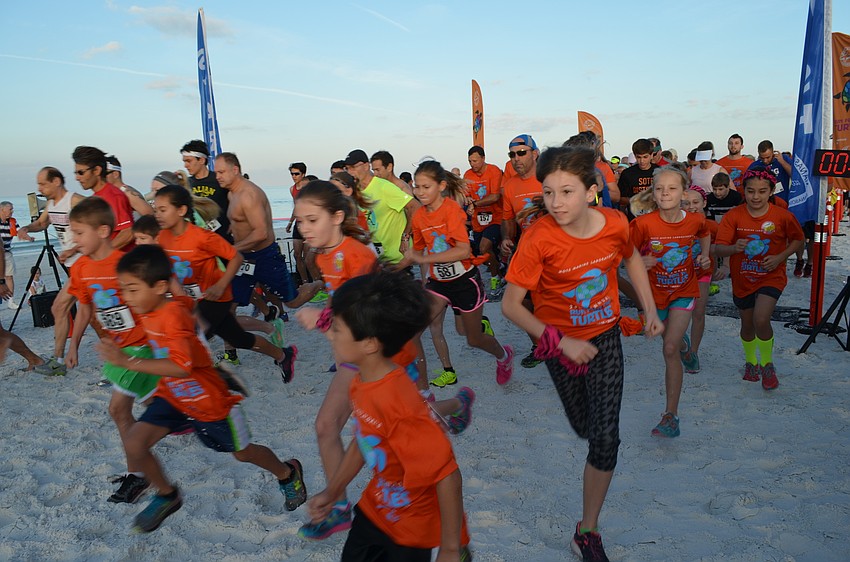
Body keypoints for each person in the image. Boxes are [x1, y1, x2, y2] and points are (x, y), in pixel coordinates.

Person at [501, 146, 662, 562]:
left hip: (605, 337)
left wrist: (649, 310)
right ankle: (592, 445)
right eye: (549, 193)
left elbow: (631, 260)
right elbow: (511, 305)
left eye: (567, 192)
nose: (556, 203)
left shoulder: (614, 222)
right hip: (559, 344)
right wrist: (559, 341)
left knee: (606, 439)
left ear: (592, 191)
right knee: (585, 427)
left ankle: (587, 530)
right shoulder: (538, 237)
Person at [292, 181, 474, 541]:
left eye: (312, 220)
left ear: (337, 217)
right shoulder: (323, 254)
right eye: (300, 222)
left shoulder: (356, 255)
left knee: (388, 426)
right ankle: (339, 508)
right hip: (356, 354)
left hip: (384, 355)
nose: (304, 229)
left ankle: (457, 403)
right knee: (329, 427)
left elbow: (370, 316)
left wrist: (324, 318)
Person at [96, 244, 307, 533]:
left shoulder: (172, 316)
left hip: (209, 401)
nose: (126, 297)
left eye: (132, 289)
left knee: (242, 453)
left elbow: (182, 366)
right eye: (124, 290)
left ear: (158, 287)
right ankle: (168, 495)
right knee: (134, 443)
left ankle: (287, 473)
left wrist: (128, 362)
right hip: (174, 396)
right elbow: (180, 296)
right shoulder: (151, 308)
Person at [307, 270, 472, 561]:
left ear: (370, 343)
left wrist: (449, 548)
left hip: (412, 531)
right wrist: (333, 491)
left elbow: (447, 475)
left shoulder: (398, 401)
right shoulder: (362, 381)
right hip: (375, 510)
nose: (330, 334)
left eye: (337, 328)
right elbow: (365, 439)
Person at [64, 197, 161, 503]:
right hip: (118, 347)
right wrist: (73, 344)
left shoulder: (125, 263)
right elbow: (84, 308)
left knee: (118, 409)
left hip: (143, 345)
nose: (74, 240)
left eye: (79, 233)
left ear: (103, 230)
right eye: (73, 233)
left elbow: (156, 300)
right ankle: (141, 465)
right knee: (140, 407)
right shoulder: (80, 268)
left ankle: (138, 475)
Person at [153, 185, 295, 383]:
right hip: (191, 300)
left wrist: (220, 286)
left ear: (181, 210)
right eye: (155, 209)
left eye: (162, 209)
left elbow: (235, 257)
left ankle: (210, 383)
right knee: (239, 338)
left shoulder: (201, 237)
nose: (157, 214)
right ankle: (283, 355)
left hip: (216, 297)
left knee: (193, 337)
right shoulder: (163, 237)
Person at [396, 160, 514, 389]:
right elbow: (416, 252)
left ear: (441, 186)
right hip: (438, 283)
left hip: (464, 282)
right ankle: (423, 393)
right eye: (416, 187)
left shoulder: (451, 211)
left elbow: (463, 250)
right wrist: (391, 270)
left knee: (470, 337)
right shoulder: (419, 216)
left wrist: (425, 259)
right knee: (413, 332)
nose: (419, 192)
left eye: (425, 187)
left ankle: (503, 356)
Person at [629, 165, 710, 438]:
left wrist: (706, 256)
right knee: (671, 343)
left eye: (672, 188)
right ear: (653, 192)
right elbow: (622, 256)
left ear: (683, 192)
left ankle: (671, 415)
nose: (665, 193)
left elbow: (705, 232)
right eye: (660, 188)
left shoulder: (694, 220)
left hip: (684, 291)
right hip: (655, 295)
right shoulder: (642, 224)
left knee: (669, 348)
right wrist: (639, 261)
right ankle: (685, 345)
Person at [714, 168, 804, 390]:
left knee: (761, 319)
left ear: (771, 191)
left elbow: (798, 239)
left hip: (771, 276)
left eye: (762, 191)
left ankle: (767, 363)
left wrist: (781, 257)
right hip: (743, 278)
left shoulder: (782, 215)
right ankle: (750, 361)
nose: (756, 196)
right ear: (743, 191)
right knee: (747, 324)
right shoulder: (733, 216)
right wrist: (734, 248)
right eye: (751, 191)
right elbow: (718, 248)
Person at [214, 152, 319, 323]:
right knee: (231, 304)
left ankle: (321, 284)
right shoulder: (231, 194)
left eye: (221, 172)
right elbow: (239, 222)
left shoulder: (249, 194)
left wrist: (231, 249)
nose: (217, 177)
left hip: (265, 256)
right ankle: (236, 346)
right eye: (216, 172)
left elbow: (261, 233)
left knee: (293, 301)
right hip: (243, 257)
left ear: (235, 170)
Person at [17, 167, 86, 375]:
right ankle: (57, 361)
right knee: (64, 309)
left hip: (85, 263)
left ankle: (59, 361)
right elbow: (41, 223)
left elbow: (99, 227)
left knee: (74, 311)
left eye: (43, 184)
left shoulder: (76, 201)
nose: (39, 188)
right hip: (72, 265)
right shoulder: (52, 204)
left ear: (56, 181)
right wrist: (26, 229)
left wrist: (74, 248)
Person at [499, 134, 545, 369]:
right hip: (525, 252)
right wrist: (507, 238)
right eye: (512, 155)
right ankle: (539, 347)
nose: (516, 159)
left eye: (521, 153)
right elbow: (507, 218)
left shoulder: (548, 179)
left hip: (552, 252)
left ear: (535, 153)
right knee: (521, 304)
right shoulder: (510, 186)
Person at [344, 149, 418, 266]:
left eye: (353, 167)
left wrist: (405, 237)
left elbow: (415, 207)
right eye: (347, 168)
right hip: (375, 260)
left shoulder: (384, 186)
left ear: (366, 166)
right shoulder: (354, 191)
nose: (350, 172)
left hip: (397, 260)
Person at [681, 186, 718, 373]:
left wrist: (725, 264)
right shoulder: (676, 224)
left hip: (703, 273)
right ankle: (681, 341)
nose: (691, 206)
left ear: (704, 203)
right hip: (679, 275)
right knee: (678, 313)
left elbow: (724, 243)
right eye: (686, 203)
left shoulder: (711, 226)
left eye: (696, 202)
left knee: (699, 312)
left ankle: (693, 353)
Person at [463, 145, 504, 293]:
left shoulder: (494, 171)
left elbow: (495, 196)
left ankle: (495, 280)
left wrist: (475, 203)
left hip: (496, 217)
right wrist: (467, 201)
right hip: (477, 220)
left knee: (484, 247)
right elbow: (466, 195)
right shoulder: (467, 174)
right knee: (484, 254)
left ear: (483, 158)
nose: (472, 164)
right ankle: (498, 272)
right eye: (469, 161)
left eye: (475, 160)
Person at [181, 140, 231, 241]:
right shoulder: (187, 184)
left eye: (189, 161)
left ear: (202, 160)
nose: (185, 165)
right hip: (198, 240)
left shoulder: (219, 180)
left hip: (222, 238)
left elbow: (236, 202)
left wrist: (235, 224)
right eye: (184, 161)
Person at [286, 162, 319, 287]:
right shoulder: (292, 189)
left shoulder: (310, 187)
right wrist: (290, 222)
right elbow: (296, 207)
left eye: (296, 174)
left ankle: (316, 283)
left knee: (308, 257)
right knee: (296, 255)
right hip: (298, 224)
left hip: (309, 224)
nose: (294, 176)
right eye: (292, 174)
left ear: (303, 174)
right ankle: (305, 282)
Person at [617, 138, 659, 220]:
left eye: (645, 157)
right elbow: (620, 198)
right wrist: (636, 200)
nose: (642, 161)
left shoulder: (659, 172)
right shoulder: (627, 173)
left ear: (651, 155)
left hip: (656, 216)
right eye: (638, 157)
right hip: (635, 217)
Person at [0, 201, 19, 308]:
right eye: (10, 209)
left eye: (12, 209)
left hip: (7, 253)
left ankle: (11, 301)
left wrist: (26, 235)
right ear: (2, 210)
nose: (12, 211)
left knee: (9, 276)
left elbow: (19, 231)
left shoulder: (12, 222)